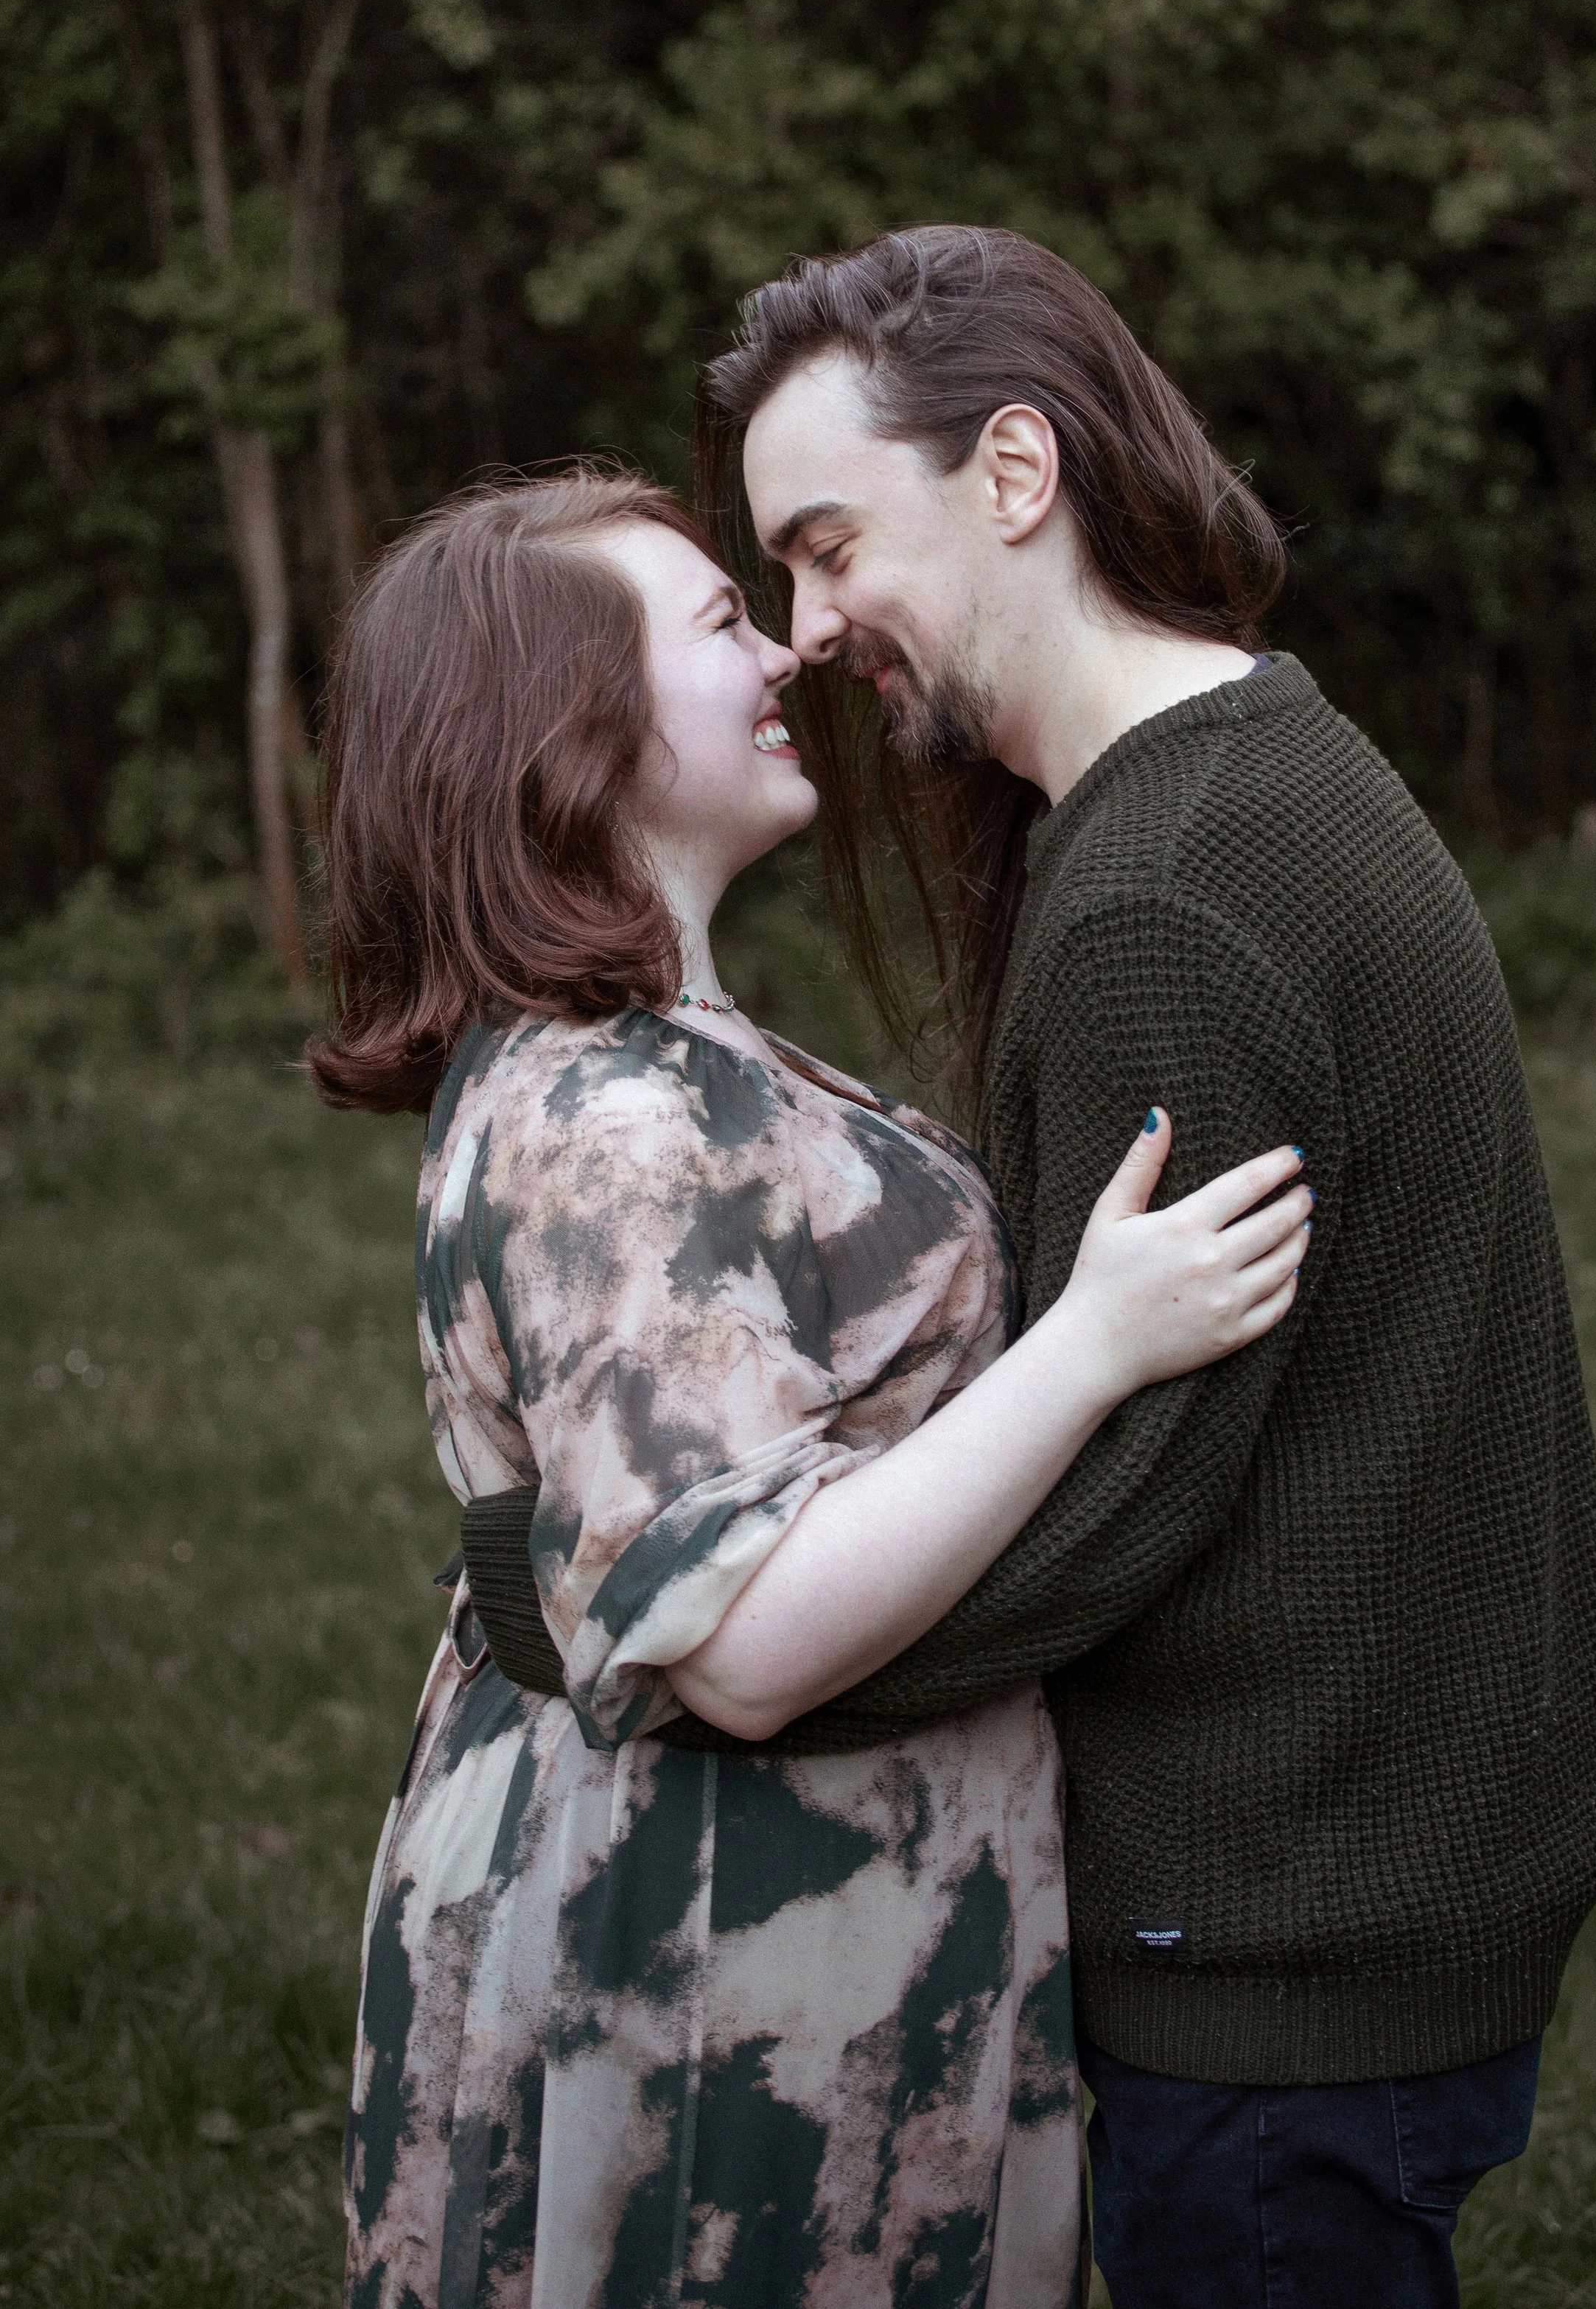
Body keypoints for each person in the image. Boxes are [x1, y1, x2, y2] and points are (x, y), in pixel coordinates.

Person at [690, 225, 1596, 2309]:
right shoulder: (1240, 769)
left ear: (1014, 473)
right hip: (1370, 1865)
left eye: (831, 540)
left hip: (1287, 1936)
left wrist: (693, 1631)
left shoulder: (1167, 905)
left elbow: (1109, 1508)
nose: (806, 624)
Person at [307, 467, 1311, 2309]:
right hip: (722, 1949)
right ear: (569, 729)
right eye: (717, 623)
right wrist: (1094, 1342)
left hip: (770, 1899)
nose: (786, 649)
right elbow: (742, 1636)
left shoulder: (652, 1060)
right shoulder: (612, 1124)